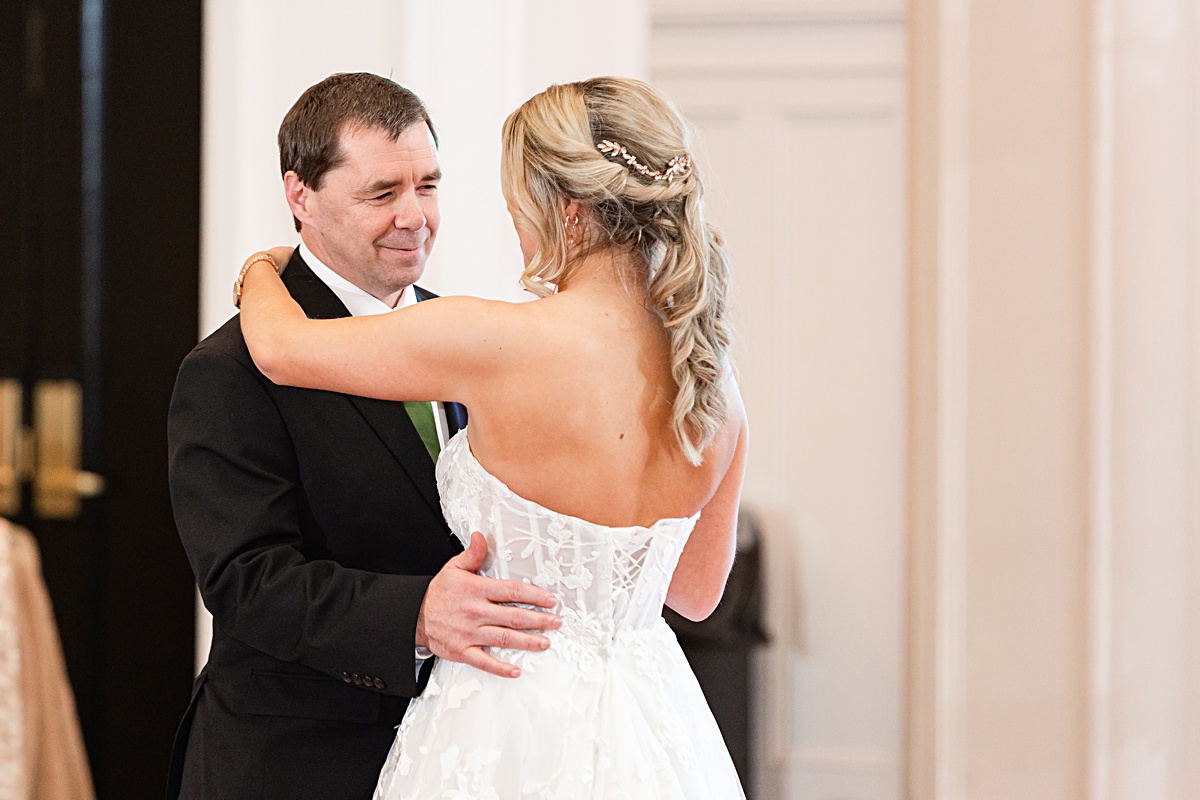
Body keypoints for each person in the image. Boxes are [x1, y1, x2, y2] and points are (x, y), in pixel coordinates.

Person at [238, 76, 749, 798]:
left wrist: (260, 268)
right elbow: (696, 595)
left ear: (568, 212)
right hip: (653, 720)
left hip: (508, 711)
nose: (515, 222)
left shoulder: (492, 342)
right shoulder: (714, 388)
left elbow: (280, 350)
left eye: (519, 201)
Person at [165, 73, 562, 800]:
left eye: (429, 185)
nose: (415, 217)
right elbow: (246, 580)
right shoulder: (228, 372)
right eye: (382, 194)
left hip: (465, 746)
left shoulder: (471, 338)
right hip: (298, 759)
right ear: (300, 196)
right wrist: (414, 614)